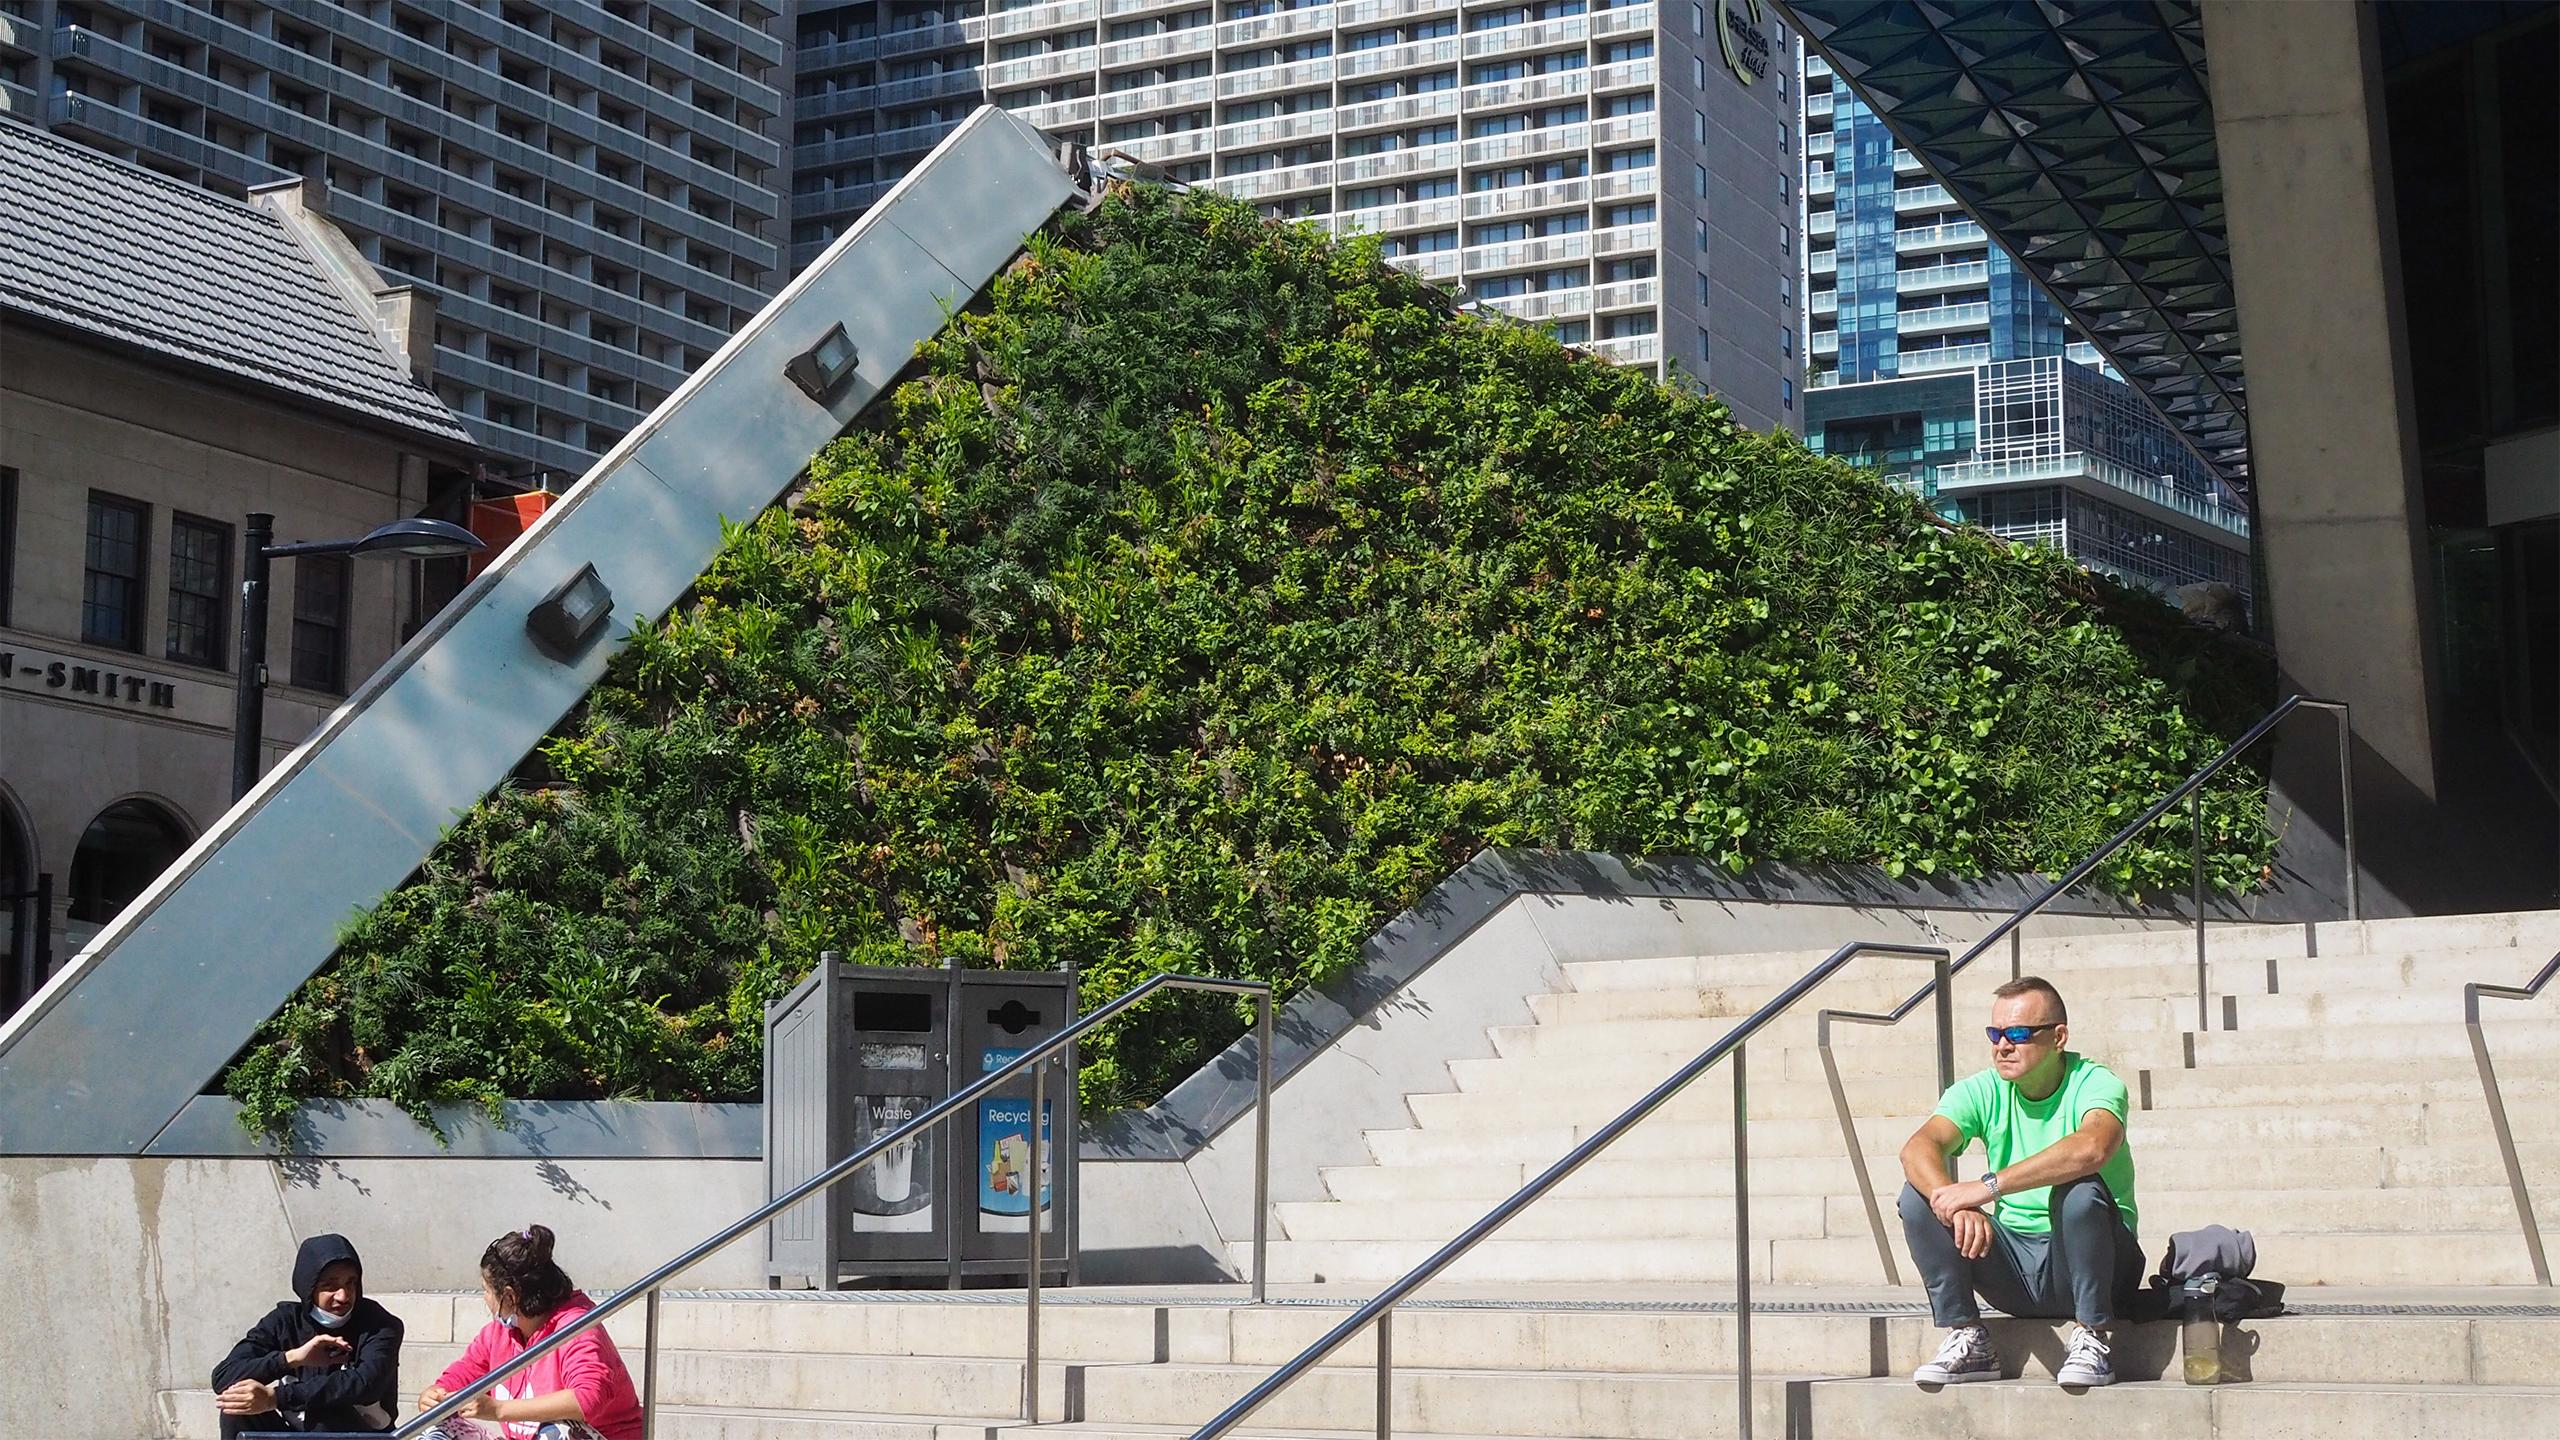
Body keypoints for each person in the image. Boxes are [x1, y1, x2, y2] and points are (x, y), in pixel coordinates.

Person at [1897, 974, 2142, 1389]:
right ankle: (1968, 1337)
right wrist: (1956, 1202)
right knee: (1920, 1196)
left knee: (2080, 1191)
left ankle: (2092, 1336)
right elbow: (1918, 1148)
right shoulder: (1981, 1090)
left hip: (2098, 1266)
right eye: (1995, 1033)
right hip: (2013, 1269)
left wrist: (1988, 1187)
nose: (2002, 1046)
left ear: (2058, 1036)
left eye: (2017, 1033)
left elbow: (2092, 1148)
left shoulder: (2095, 1082)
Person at [418, 1224, 645, 1440]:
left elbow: (588, 1398)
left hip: (600, 1434)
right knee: (439, 1426)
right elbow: (466, 1372)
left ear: (509, 1297)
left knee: (558, 1431)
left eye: (487, 1290)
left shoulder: (576, 1329)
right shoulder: (497, 1334)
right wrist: (436, 1393)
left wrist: (499, 1410)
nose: (485, 1298)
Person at [212, 1233, 403, 1436]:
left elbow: (366, 1384)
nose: (343, 1296)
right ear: (308, 1288)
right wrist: (291, 1359)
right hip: (296, 1430)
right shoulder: (284, 1320)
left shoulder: (380, 1324)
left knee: (325, 1408)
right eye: (329, 1286)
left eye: (350, 1283)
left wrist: (275, 1398)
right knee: (236, 1405)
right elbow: (223, 1377)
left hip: (358, 1432)